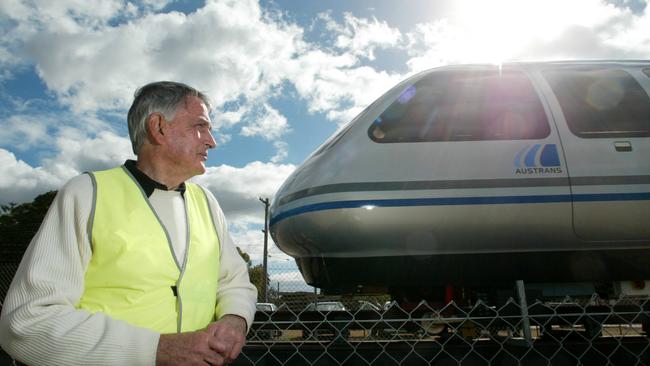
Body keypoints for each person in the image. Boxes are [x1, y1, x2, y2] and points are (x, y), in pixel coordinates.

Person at [0, 81, 257, 365]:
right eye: (201, 126)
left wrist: (235, 319)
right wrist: (157, 349)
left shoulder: (207, 202)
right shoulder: (87, 193)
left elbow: (234, 281)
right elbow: (28, 321)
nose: (211, 140)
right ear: (158, 127)